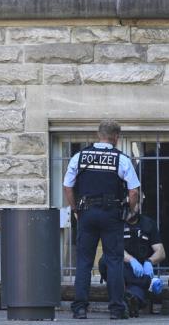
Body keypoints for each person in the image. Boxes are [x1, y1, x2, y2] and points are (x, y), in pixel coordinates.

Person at [63, 120, 140, 320]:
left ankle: (80, 309)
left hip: (86, 212)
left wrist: (75, 210)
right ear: (116, 137)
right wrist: (131, 212)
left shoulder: (79, 157)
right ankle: (116, 309)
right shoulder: (121, 159)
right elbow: (133, 192)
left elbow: (68, 187)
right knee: (114, 261)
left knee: (84, 262)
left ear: (98, 135)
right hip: (111, 214)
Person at [99, 211, 166, 317]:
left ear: (139, 204)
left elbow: (161, 252)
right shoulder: (116, 223)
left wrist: (149, 261)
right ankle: (147, 282)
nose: (130, 207)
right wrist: (131, 260)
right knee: (105, 260)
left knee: (134, 295)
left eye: (133, 203)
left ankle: (126, 304)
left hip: (140, 271)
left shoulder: (148, 224)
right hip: (120, 269)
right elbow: (113, 248)